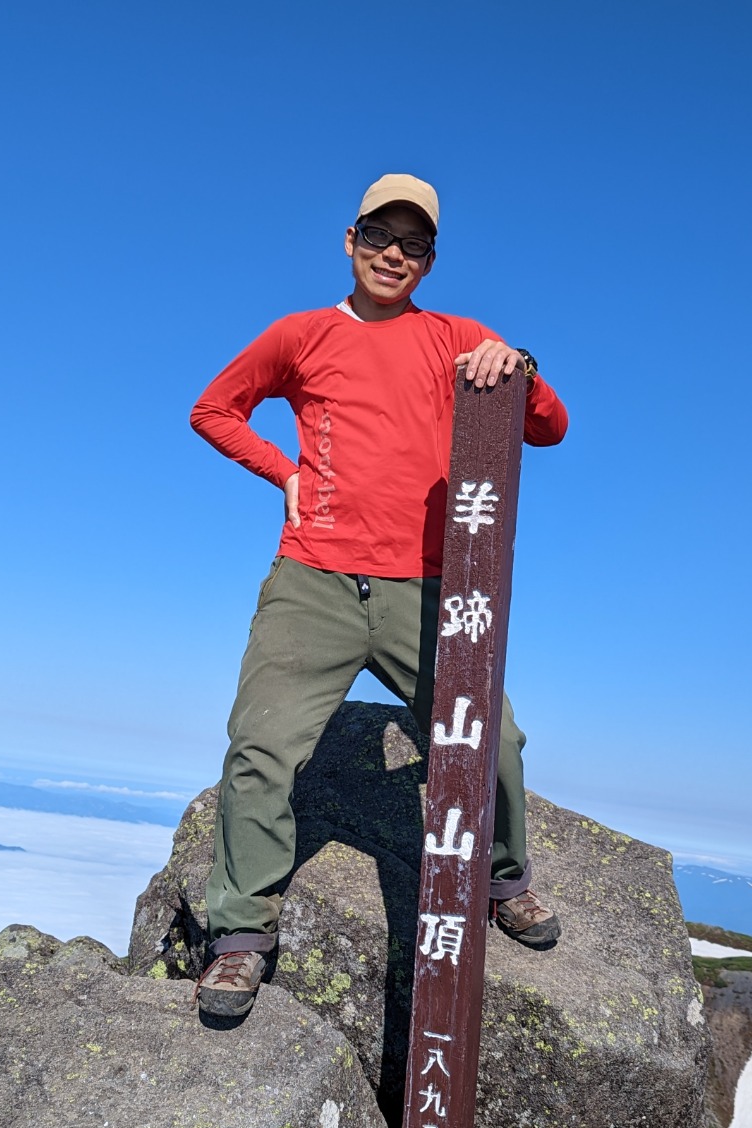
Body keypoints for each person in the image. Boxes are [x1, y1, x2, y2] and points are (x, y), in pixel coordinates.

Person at [190, 173, 568, 1020]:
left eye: (414, 244)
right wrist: (283, 472)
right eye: (378, 235)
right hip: (314, 579)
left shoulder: (461, 339)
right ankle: (241, 939)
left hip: (427, 587)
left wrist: (519, 368)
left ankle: (503, 880)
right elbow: (215, 410)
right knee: (259, 747)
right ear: (350, 240)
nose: (393, 254)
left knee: (494, 741)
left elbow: (548, 426)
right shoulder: (301, 334)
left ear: (430, 263)